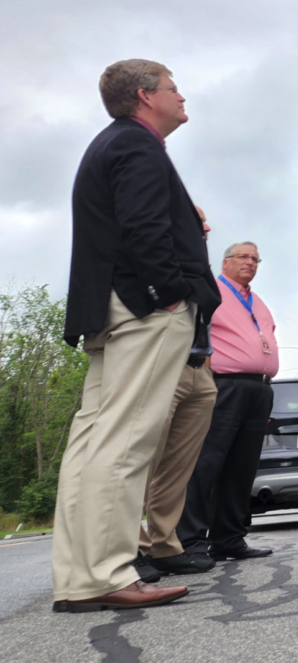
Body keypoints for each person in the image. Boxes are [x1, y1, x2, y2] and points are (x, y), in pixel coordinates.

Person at [53, 60, 221, 612]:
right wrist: (169, 292)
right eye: (174, 87)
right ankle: (107, 575)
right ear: (146, 96)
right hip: (144, 308)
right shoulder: (138, 146)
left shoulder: (112, 145)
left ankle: (80, 578)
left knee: (93, 440)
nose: (182, 95)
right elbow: (142, 227)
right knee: (126, 440)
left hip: (110, 308)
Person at [176, 241, 279, 561]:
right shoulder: (213, 291)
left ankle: (229, 538)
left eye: (255, 259)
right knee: (206, 463)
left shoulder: (258, 302)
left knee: (242, 467)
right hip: (224, 385)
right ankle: (190, 540)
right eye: (243, 257)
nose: (250, 262)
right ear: (225, 262)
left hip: (259, 388)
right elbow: (194, 329)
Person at [134, 206, 220, 581]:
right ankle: (126, 546)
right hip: (161, 362)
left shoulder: (194, 261)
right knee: (140, 458)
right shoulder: (155, 254)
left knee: (178, 466)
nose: (206, 227)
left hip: (198, 366)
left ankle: (163, 543)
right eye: (198, 220)